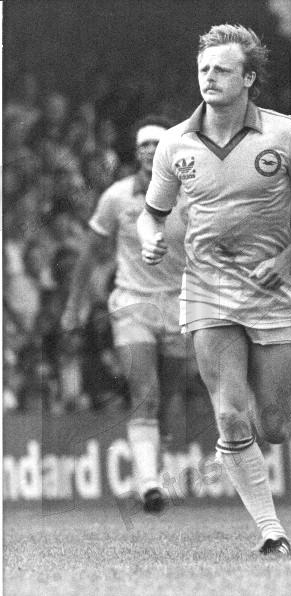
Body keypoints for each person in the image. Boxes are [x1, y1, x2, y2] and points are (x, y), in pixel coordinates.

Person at [137, 24, 291, 554]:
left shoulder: (284, 134)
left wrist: (287, 259)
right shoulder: (175, 142)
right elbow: (151, 213)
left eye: (223, 69)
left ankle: (246, 449)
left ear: (248, 78)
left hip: (271, 290)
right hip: (206, 287)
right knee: (229, 414)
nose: (210, 77)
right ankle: (272, 532)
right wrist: (151, 237)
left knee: (274, 426)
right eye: (204, 68)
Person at [62, 115, 188, 512]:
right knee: (145, 392)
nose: (149, 151)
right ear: (136, 152)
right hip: (132, 303)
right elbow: (88, 253)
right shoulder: (116, 197)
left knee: (165, 399)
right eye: (143, 145)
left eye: (157, 144)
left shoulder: (191, 195)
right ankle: (149, 485)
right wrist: (73, 306)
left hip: (181, 306)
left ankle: (153, 471)